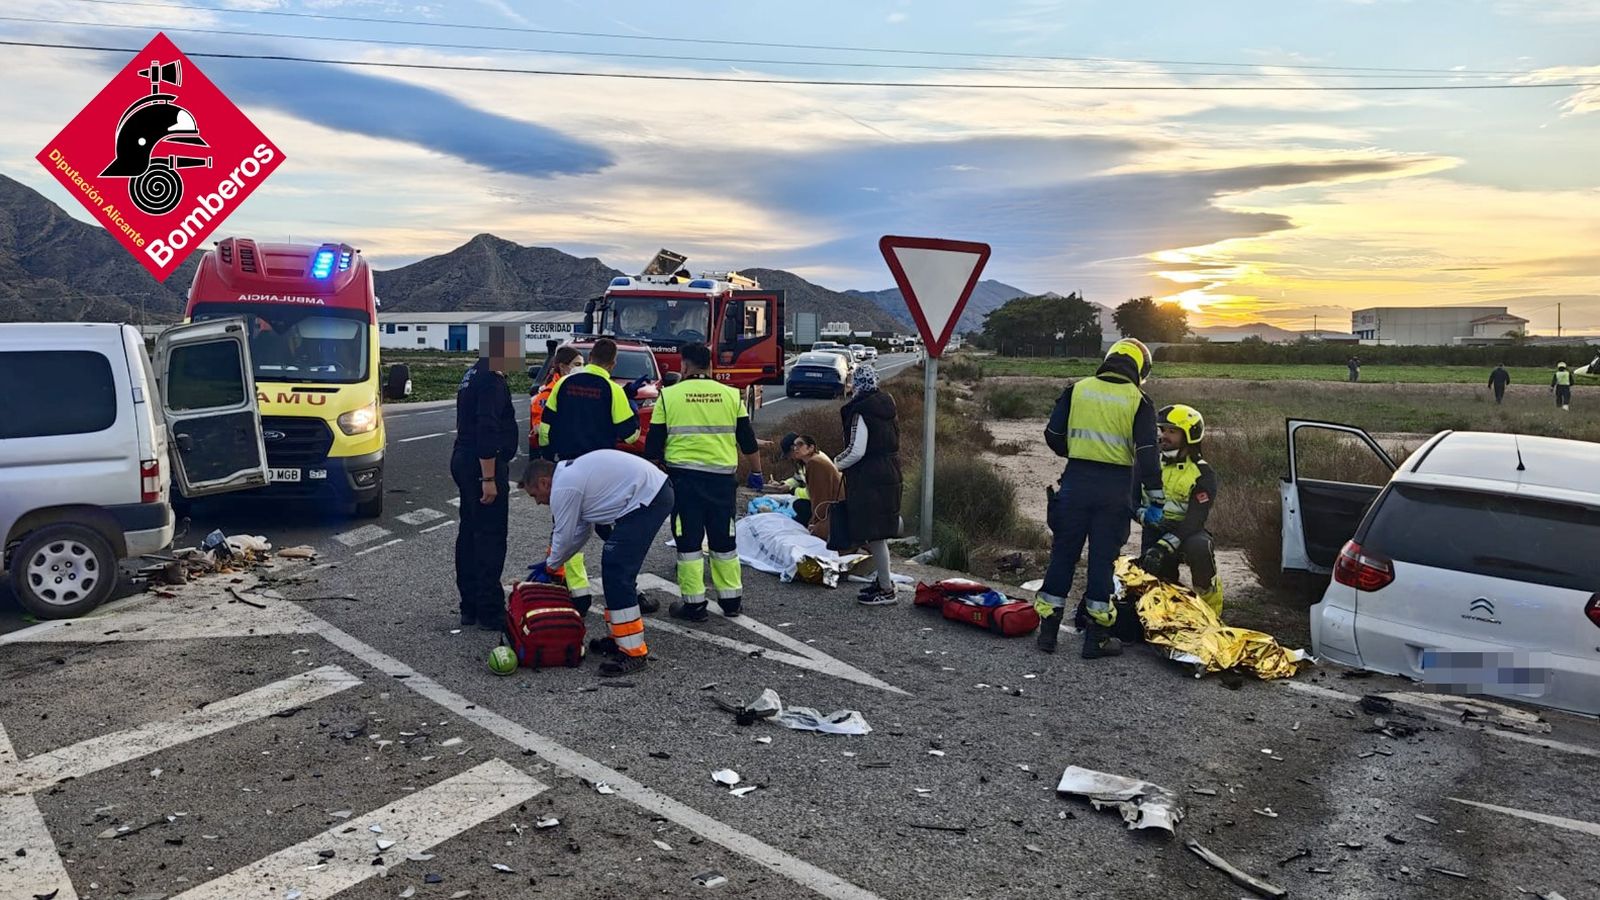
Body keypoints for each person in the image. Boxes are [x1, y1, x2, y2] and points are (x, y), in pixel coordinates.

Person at [1036, 338, 1163, 659]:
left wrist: (1076, 452)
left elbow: (1053, 436)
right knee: (1101, 562)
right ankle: (1097, 638)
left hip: (1076, 482)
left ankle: (1048, 632)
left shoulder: (1077, 389)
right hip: (1115, 489)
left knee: (1063, 554)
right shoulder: (1140, 400)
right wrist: (1156, 499)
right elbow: (1148, 453)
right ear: (1140, 368)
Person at [523, 452, 674, 677]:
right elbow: (581, 532)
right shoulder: (570, 477)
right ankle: (619, 640)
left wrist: (550, 566)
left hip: (648, 499)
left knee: (616, 570)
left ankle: (634, 653)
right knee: (614, 570)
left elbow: (564, 536)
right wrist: (553, 562)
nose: (537, 502)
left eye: (535, 494)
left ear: (544, 482)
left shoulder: (564, 487)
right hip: (649, 494)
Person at [645, 342, 760, 621]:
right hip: (722, 482)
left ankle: (694, 605)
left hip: (684, 482)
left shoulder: (669, 396)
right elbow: (748, 441)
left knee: (689, 542)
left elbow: (653, 445)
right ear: (710, 366)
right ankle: (731, 601)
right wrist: (756, 473)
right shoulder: (732, 396)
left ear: (684, 366)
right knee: (724, 540)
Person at [539, 338, 641, 615]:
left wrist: (550, 458)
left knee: (569, 530)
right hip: (601, 474)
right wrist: (630, 408)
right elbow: (630, 435)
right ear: (613, 362)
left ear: (591, 355)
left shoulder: (563, 384)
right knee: (612, 532)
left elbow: (545, 428)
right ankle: (626, 587)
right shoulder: (612, 389)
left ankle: (579, 593)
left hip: (568, 468)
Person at [450, 332, 521, 630]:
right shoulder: (492, 379)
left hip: (463, 459)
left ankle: (470, 605)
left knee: (469, 533)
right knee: (490, 538)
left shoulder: (471, 374)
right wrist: (489, 477)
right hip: (482, 464)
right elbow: (487, 427)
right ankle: (490, 611)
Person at [1137, 404, 1223, 616]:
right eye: (1162, 430)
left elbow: (1196, 519)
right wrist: (1143, 516)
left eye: (1172, 431)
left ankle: (1211, 615)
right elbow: (1130, 500)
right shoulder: (1150, 465)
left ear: (1190, 435)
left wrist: (1164, 546)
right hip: (1155, 529)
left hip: (1187, 531)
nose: (1164, 436)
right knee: (1156, 582)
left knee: (1200, 548)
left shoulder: (1203, 473)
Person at [836, 365, 902, 606]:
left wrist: (837, 463)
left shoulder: (861, 410)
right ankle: (884, 582)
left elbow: (856, 449)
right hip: (890, 472)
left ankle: (885, 589)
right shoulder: (887, 405)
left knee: (875, 534)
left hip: (870, 478)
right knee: (879, 533)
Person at [765, 433, 844, 540]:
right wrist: (786, 484)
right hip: (828, 506)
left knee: (799, 507)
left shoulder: (815, 463)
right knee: (798, 507)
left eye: (799, 446)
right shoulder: (805, 462)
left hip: (832, 509)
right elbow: (798, 479)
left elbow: (816, 496)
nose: (791, 457)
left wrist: (792, 491)